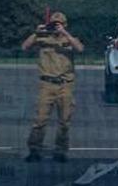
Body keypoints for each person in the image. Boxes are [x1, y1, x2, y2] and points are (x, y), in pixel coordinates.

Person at [21, 9, 84, 162]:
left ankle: (60, 151)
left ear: (64, 24)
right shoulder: (42, 39)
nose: (56, 27)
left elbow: (80, 49)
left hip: (65, 85)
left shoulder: (69, 40)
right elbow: (24, 47)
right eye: (53, 24)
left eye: (59, 24)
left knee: (64, 121)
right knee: (40, 120)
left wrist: (65, 33)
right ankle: (34, 150)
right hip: (47, 84)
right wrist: (37, 33)